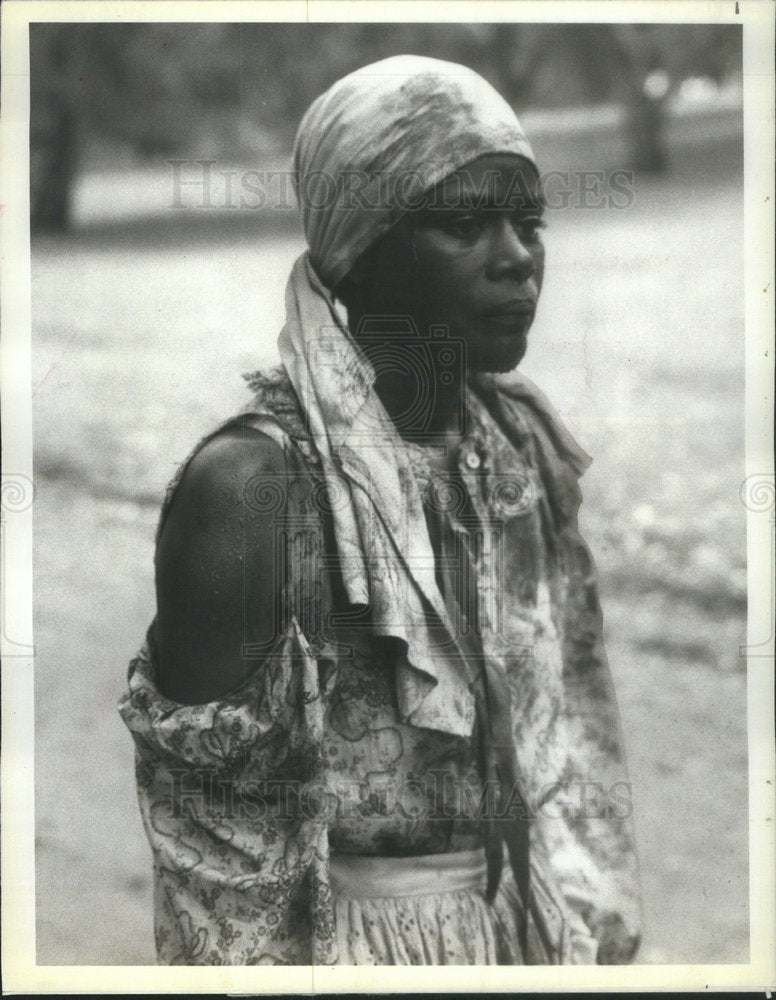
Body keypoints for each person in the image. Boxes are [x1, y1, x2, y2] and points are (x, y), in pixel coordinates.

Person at [119, 55, 641, 966]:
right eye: (463, 223)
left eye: (529, 221)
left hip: (521, 941)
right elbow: (217, 862)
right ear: (357, 249)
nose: (517, 258)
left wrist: (587, 939)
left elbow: (576, 739)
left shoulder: (519, 457)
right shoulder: (256, 489)